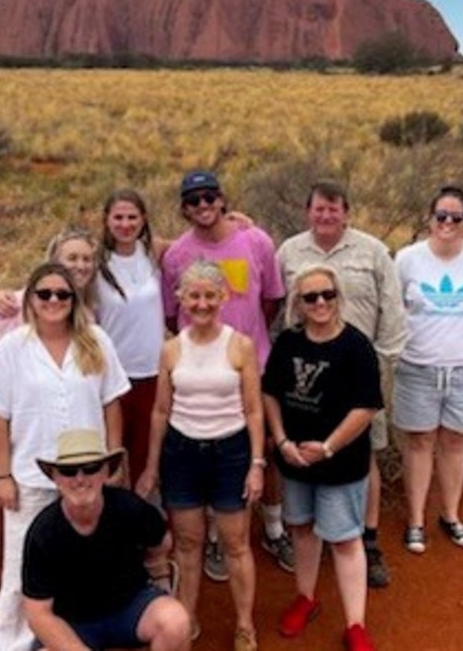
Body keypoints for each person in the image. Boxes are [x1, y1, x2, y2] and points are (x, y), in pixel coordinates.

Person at [0, 262, 131, 651]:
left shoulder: (95, 340)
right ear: (30, 299)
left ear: (74, 299)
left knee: (79, 563)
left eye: (62, 294)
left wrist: (112, 462)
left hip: (87, 476)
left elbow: (112, 402)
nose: (53, 301)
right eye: (43, 293)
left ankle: (62, 641)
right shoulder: (14, 346)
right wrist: (3, 477)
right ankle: (12, 643)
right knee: (18, 569)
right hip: (30, 475)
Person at [159, 169, 291, 581]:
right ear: (183, 208)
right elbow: (171, 314)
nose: (203, 205)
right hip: (201, 369)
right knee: (209, 441)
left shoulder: (256, 241)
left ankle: (273, 527)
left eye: (209, 196)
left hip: (255, 361)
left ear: (222, 199)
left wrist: (246, 333)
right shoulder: (178, 254)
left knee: (263, 446)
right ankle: (216, 536)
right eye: (193, 200)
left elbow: (271, 301)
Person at [275, 179, 406, 589]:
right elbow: (278, 307)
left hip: (358, 372)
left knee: (361, 455)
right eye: (319, 209)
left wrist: (381, 362)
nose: (326, 215)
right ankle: (314, 540)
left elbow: (392, 309)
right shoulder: (290, 252)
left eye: (334, 209)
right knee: (303, 453)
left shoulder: (372, 251)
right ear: (307, 211)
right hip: (305, 377)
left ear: (346, 212)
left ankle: (365, 539)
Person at [0, 227, 102, 620]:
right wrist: (6, 470)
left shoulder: (89, 315)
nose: (77, 265)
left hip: (67, 441)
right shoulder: (17, 303)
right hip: (14, 427)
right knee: (0, 502)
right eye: (70, 257)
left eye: (85, 259)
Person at [136, 261, 264, 651]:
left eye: (210, 294)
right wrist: (152, 467)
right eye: (194, 295)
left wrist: (257, 464)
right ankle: (186, 616)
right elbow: (161, 410)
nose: (203, 303)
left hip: (230, 451)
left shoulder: (240, 345)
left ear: (224, 296)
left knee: (235, 543)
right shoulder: (172, 349)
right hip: (182, 452)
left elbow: (254, 409)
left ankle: (244, 623)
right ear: (181, 300)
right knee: (188, 544)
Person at [263, 264, 382, 651]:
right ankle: (306, 596)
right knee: (301, 528)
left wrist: (328, 447)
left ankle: (355, 624)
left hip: (340, 463)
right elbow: (270, 394)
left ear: (338, 297)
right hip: (295, 459)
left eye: (327, 295)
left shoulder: (357, 346)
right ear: (298, 303)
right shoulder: (288, 344)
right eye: (310, 297)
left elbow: (365, 408)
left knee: (345, 539)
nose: (319, 303)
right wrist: (281, 441)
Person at [393, 186, 463, 554]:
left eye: (456, 218)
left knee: (456, 442)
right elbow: (395, 308)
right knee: (420, 441)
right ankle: (416, 520)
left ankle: (451, 515)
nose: (448, 224)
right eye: (441, 216)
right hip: (418, 366)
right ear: (430, 218)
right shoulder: (408, 259)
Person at [23, 429, 191, 651]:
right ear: (56, 478)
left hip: (130, 607)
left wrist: (159, 573)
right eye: (69, 471)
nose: (80, 479)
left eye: (91, 468)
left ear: (105, 473)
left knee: (176, 622)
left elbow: (161, 540)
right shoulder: (43, 533)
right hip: (74, 623)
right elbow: (37, 613)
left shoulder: (129, 509)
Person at [95, 189, 170, 487]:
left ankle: (148, 525)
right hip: (110, 376)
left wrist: (238, 221)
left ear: (143, 219)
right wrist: (3, 298)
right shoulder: (95, 260)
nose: (125, 224)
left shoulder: (156, 252)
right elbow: (51, 280)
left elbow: (204, 244)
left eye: (132, 217)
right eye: (118, 217)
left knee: (147, 461)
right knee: (109, 460)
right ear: (106, 220)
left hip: (153, 374)